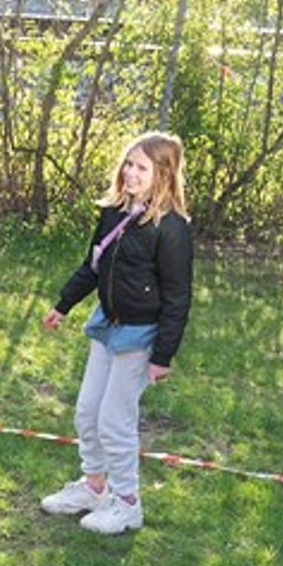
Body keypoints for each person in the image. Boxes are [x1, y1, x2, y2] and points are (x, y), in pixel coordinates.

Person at [38, 132, 193, 534]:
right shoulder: (113, 213)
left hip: (141, 336)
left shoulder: (172, 228)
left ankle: (127, 504)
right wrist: (63, 304)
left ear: (164, 174)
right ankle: (94, 488)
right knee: (87, 412)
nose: (131, 173)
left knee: (114, 420)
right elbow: (92, 266)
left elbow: (178, 297)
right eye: (128, 163)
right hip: (107, 325)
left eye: (142, 167)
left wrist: (163, 355)